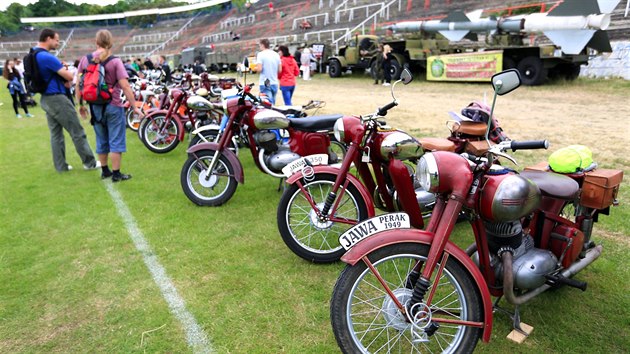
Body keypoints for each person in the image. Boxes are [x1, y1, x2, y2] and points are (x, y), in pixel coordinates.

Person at [76, 29, 142, 182]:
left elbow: (79, 84)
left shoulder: (85, 60)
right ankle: (117, 174)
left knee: (101, 139)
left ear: (96, 42)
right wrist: (134, 106)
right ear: (110, 43)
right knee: (116, 140)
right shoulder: (115, 61)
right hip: (113, 104)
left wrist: (80, 105)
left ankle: (105, 171)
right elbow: (125, 86)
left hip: (94, 106)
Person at [34, 28, 99, 172]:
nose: (58, 43)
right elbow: (69, 77)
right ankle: (90, 162)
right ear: (48, 38)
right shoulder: (46, 56)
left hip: (46, 98)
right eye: (56, 40)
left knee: (56, 134)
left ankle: (61, 166)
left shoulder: (33, 53)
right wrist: (65, 69)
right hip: (57, 98)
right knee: (76, 130)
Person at [255, 38, 281, 104]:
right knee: (273, 103)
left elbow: (259, 69)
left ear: (262, 45)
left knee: (267, 105)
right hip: (274, 82)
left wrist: (255, 68)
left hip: (265, 82)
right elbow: (280, 70)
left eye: (259, 45)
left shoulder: (260, 54)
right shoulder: (276, 54)